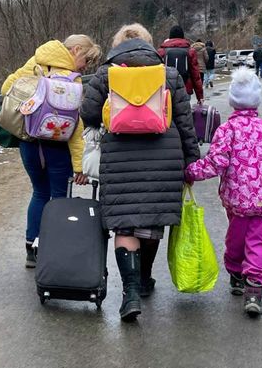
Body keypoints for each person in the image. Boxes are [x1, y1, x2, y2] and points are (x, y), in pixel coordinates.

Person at [81, 23, 200, 322]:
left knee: (125, 225)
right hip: (164, 157)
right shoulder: (168, 74)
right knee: (151, 223)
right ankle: (145, 279)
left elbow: (89, 113)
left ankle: (130, 292)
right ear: (148, 45)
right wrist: (191, 163)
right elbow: (185, 123)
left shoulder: (106, 74)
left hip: (120, 156)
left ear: (117, 44)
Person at [185, 68, 262, 317]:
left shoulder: (227, 131)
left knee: (236, 239)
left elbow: (216, 163)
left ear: (232, 100)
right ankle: (254, 289)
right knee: (259, 242)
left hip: (237, 200)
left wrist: (190, 172)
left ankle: (237, 274)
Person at [1, 35, 100, 268]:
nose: (85, 67)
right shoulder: (72, 80)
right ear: (75, 50)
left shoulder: (35, 62)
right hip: (57, 146)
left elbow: (7, 88)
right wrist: (80, 166)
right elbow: (76, 128)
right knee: (59, 196)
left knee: (39, 193)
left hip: (29, 142)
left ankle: (31, 248)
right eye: (85, 60)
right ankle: (54, 248)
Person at [157, 25, 204, 104]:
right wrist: (200, 96)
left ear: (170, 37)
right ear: (183, 37)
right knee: (184, 113)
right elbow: (196, 75)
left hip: (166, 89)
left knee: (168, 113)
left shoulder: (161, 51)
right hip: (185, 88)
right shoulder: (190, 51)